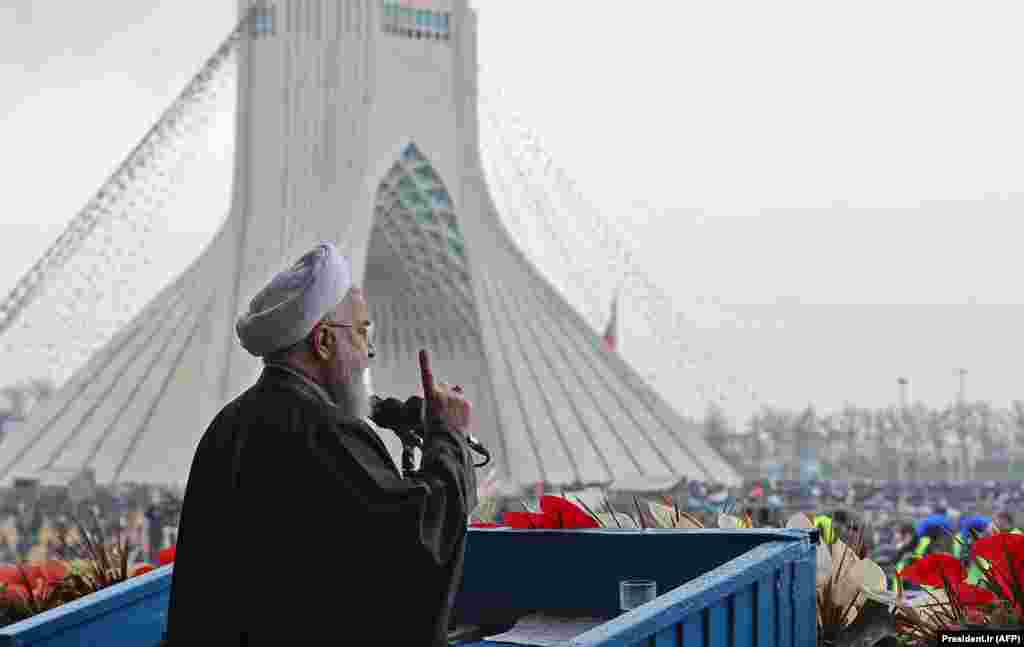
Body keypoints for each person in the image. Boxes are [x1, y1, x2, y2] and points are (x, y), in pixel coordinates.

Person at [165, 243, 478, 647]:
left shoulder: (229, 424)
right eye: (363, 331)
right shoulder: (321, 432)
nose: (370, 351)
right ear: (324, 341)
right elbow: (415, 545)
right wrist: (450, 438)